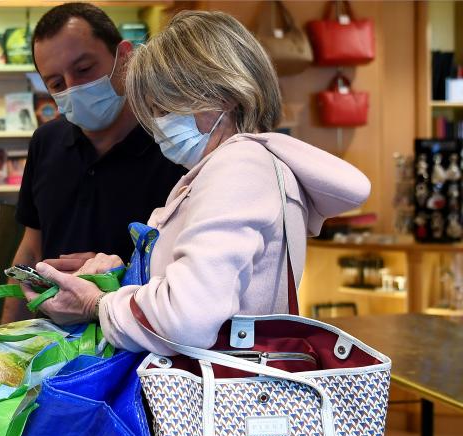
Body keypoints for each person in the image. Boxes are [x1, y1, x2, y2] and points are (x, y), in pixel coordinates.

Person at [23, 11, 371, 354]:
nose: (158, 125)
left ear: (226, 93)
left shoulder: (240, 167)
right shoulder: (227, 167)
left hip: (217, 398)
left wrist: (95, 304)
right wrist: (126, 272)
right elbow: (205, 287)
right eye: (152, 110)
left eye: (167, 106)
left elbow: (186, 319)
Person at [2, 2, 185, 323]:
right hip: (53, 341)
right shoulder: (46, 142)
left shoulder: (176, 144)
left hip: (144, 341)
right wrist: (5, 343)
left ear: (125, 57)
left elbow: (194, 269)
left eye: (84, 69)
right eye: (57, 83)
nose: (74, 88)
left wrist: (115, 275)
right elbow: (31, 251)